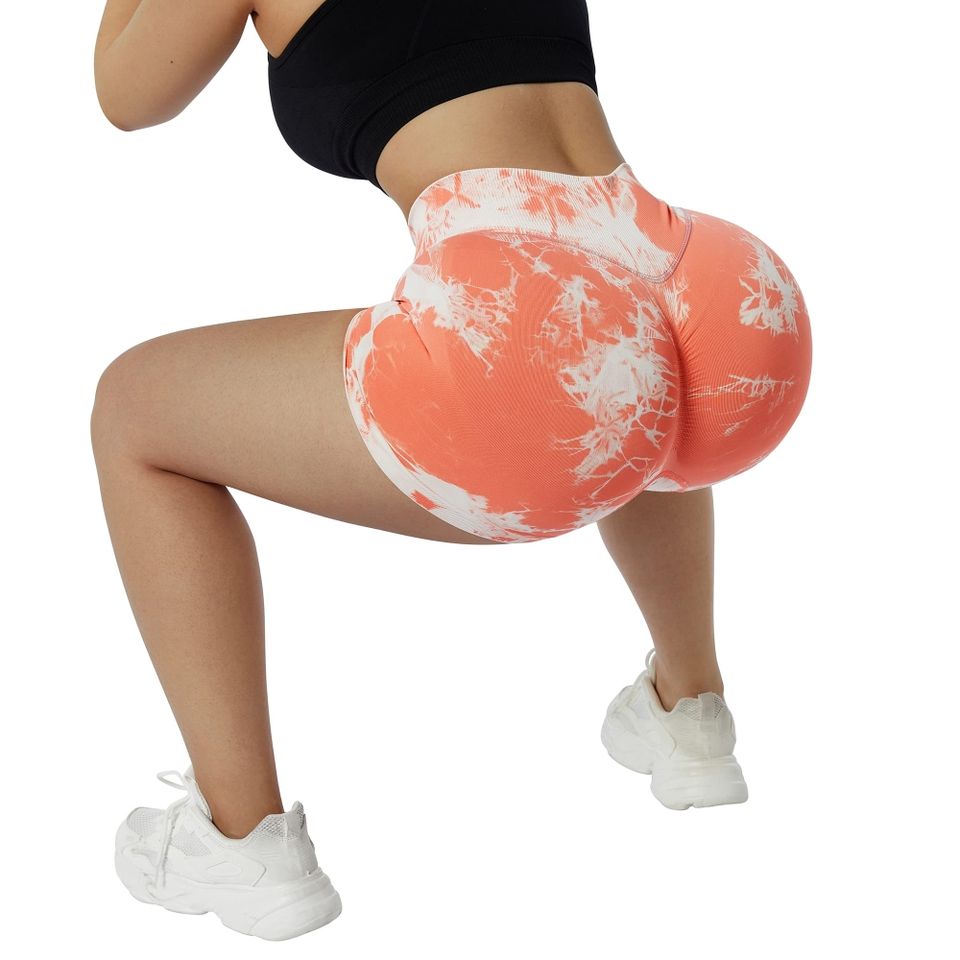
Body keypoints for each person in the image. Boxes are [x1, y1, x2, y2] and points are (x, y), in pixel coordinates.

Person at [92, 0, 813, 941]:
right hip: (700, 281)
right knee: (623, 369)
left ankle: (240, 839)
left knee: (133, 411)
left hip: (541, 316)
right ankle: (693, 711)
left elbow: (126, 95)